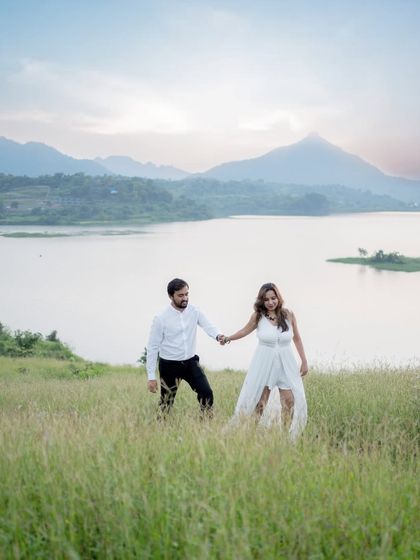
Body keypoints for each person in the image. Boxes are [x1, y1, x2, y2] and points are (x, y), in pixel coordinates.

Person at [221, 282, 308, 439]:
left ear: (278, 297)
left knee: (289, 402)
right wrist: (228, 338)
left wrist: (304, 361)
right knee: (260, 403)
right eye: (266, 299)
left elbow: (297, 338)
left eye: (273, 298)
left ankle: (285, 437)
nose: (270, 302)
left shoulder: (288, 315)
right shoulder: (258, 316)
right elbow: (244, 330)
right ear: (262, 300)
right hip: (265, 364)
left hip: (285, 363)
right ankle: (251, 436)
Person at [146, 278, 224, 416]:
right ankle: (162, 428)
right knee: (166, 403)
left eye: (187, 294)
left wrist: (218, 336)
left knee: (207, 393)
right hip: (169, 365)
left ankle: (204, 425)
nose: (185, 298)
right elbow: (152, 347)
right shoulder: (161, 318)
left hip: (191, 362)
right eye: (181, 295)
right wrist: (151, 376)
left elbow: (208, 326)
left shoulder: (194, 311)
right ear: (171, 296)